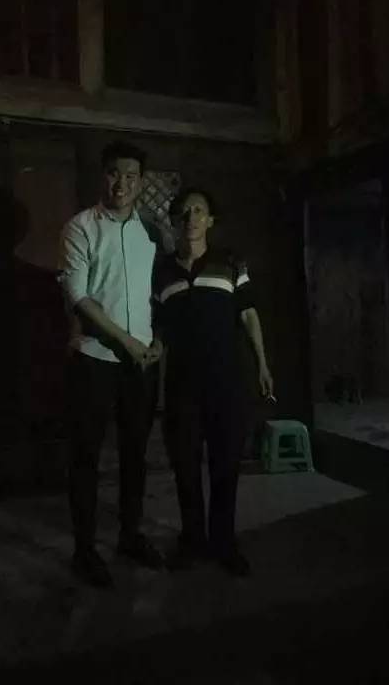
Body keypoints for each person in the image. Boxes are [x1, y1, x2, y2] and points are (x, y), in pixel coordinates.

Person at [152, 188, 274, 577]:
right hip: (182, 386)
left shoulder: (230, 262)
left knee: (226, 466)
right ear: (176, 221)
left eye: (199, 211)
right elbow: (160, 328)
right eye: (184, 212)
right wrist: (151, 352)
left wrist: (262, 363)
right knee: (186, 466)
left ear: (210, 220)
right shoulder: (162, 272)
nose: (191, 218)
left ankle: (224, 543)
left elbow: (249, 314)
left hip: (227, 382)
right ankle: (192, 540)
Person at [58, 141, 163, 588]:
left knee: (135, 453)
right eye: (115, 173)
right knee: (86, 456)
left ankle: (129, 535)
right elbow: (79, 298)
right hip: (95, 360)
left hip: (142, 363)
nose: (122, 183)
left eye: (131, 176)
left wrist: (157, 341)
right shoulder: (81, 227)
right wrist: (127, 342)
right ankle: (84, 550)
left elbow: (158, 291)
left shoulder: (150, 231)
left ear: (141, 182)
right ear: (103, 176)